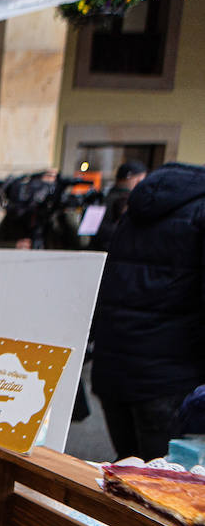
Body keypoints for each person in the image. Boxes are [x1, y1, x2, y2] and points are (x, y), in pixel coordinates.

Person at [91, 162, 205, 460]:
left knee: (129, 475)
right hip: (169, 374)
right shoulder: (197, 212)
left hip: (115, 367)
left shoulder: (136, 210)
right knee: (165, 486)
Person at [92, 159, 148, 252]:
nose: (140, 184)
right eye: (139, 179)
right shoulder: (123, 199)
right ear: (129, 177)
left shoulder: (104, 196)